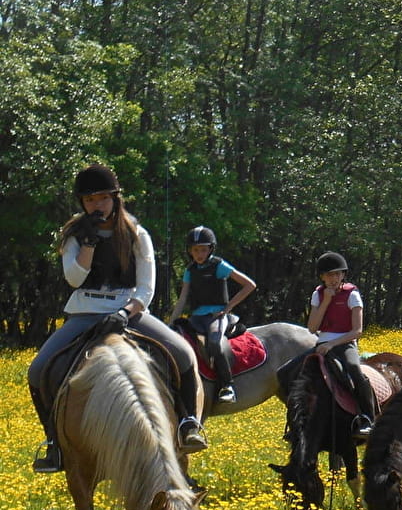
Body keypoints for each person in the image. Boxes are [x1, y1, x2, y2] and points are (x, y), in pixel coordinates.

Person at [28, 164, 208, 473]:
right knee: (37, 369)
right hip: (85, 311)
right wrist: (88, 244)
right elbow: (73, 278)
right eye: (89, 200)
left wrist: (125, 313)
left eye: (102, 198)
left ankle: (189, 423)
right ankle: (54, 444)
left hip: (130, 310)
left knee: (183, 353)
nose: (96, 205)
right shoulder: (74, 234)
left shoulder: (137, 234)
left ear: (115, 198)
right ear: (82, 204)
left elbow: (147, 286)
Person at [169, 226, 256, 404]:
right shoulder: (189, 270)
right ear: (190, 251)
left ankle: (227, 386)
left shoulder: (219, 266)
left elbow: (249, 285)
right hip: (196, 318)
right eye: (195, 250)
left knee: (214, 344)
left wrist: (228, 307)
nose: (199, 253)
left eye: (203, 249)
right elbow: (183, 298)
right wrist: (169, 324)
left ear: (210, 249)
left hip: (217, 316)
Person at [306, 251, 377, 438]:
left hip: (345, 343)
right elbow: (312, 327)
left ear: (343, 275)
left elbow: (357, 330)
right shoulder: (318, 294)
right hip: (321, 343)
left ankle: (367, 417)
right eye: (329, 274)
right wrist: (326, 301)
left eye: (338, 274)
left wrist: (332, 344)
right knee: (290, 372)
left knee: (354, 369)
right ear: (322, 276)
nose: (334, 278)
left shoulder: (352, 295)